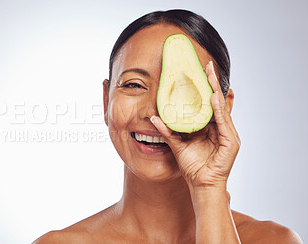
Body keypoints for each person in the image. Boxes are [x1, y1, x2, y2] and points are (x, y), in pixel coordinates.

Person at [33, 9, 302, 243]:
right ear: (106, 101)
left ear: (224, 107)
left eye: (184, 89)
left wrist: (209, 189)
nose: (155, 112)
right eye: (134, 85)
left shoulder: (274, 240)